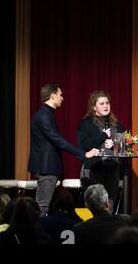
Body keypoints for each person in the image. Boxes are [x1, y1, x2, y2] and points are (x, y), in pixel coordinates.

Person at [28, 83, 99, 217]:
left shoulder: (46, 114)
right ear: (53, 96)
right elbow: (58, 140)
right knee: (42, 208)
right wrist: (83, 154)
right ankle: (36, 237)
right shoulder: (44, 115)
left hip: (48, 167)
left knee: (46, 208)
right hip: (46, 167)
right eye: (60, 95)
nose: (62, 98)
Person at [77, 90, 124, 209]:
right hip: (93, 168)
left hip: (112, 168)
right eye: (101, 103)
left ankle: (109, 225)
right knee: (94, 204)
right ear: (94, 107)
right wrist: (102, 136)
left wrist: (114, 144)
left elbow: (124, 145)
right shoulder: (86, 123)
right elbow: (83, 145)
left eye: (107, 103)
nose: (105, 106)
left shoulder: (117, 124)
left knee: (109, 203)